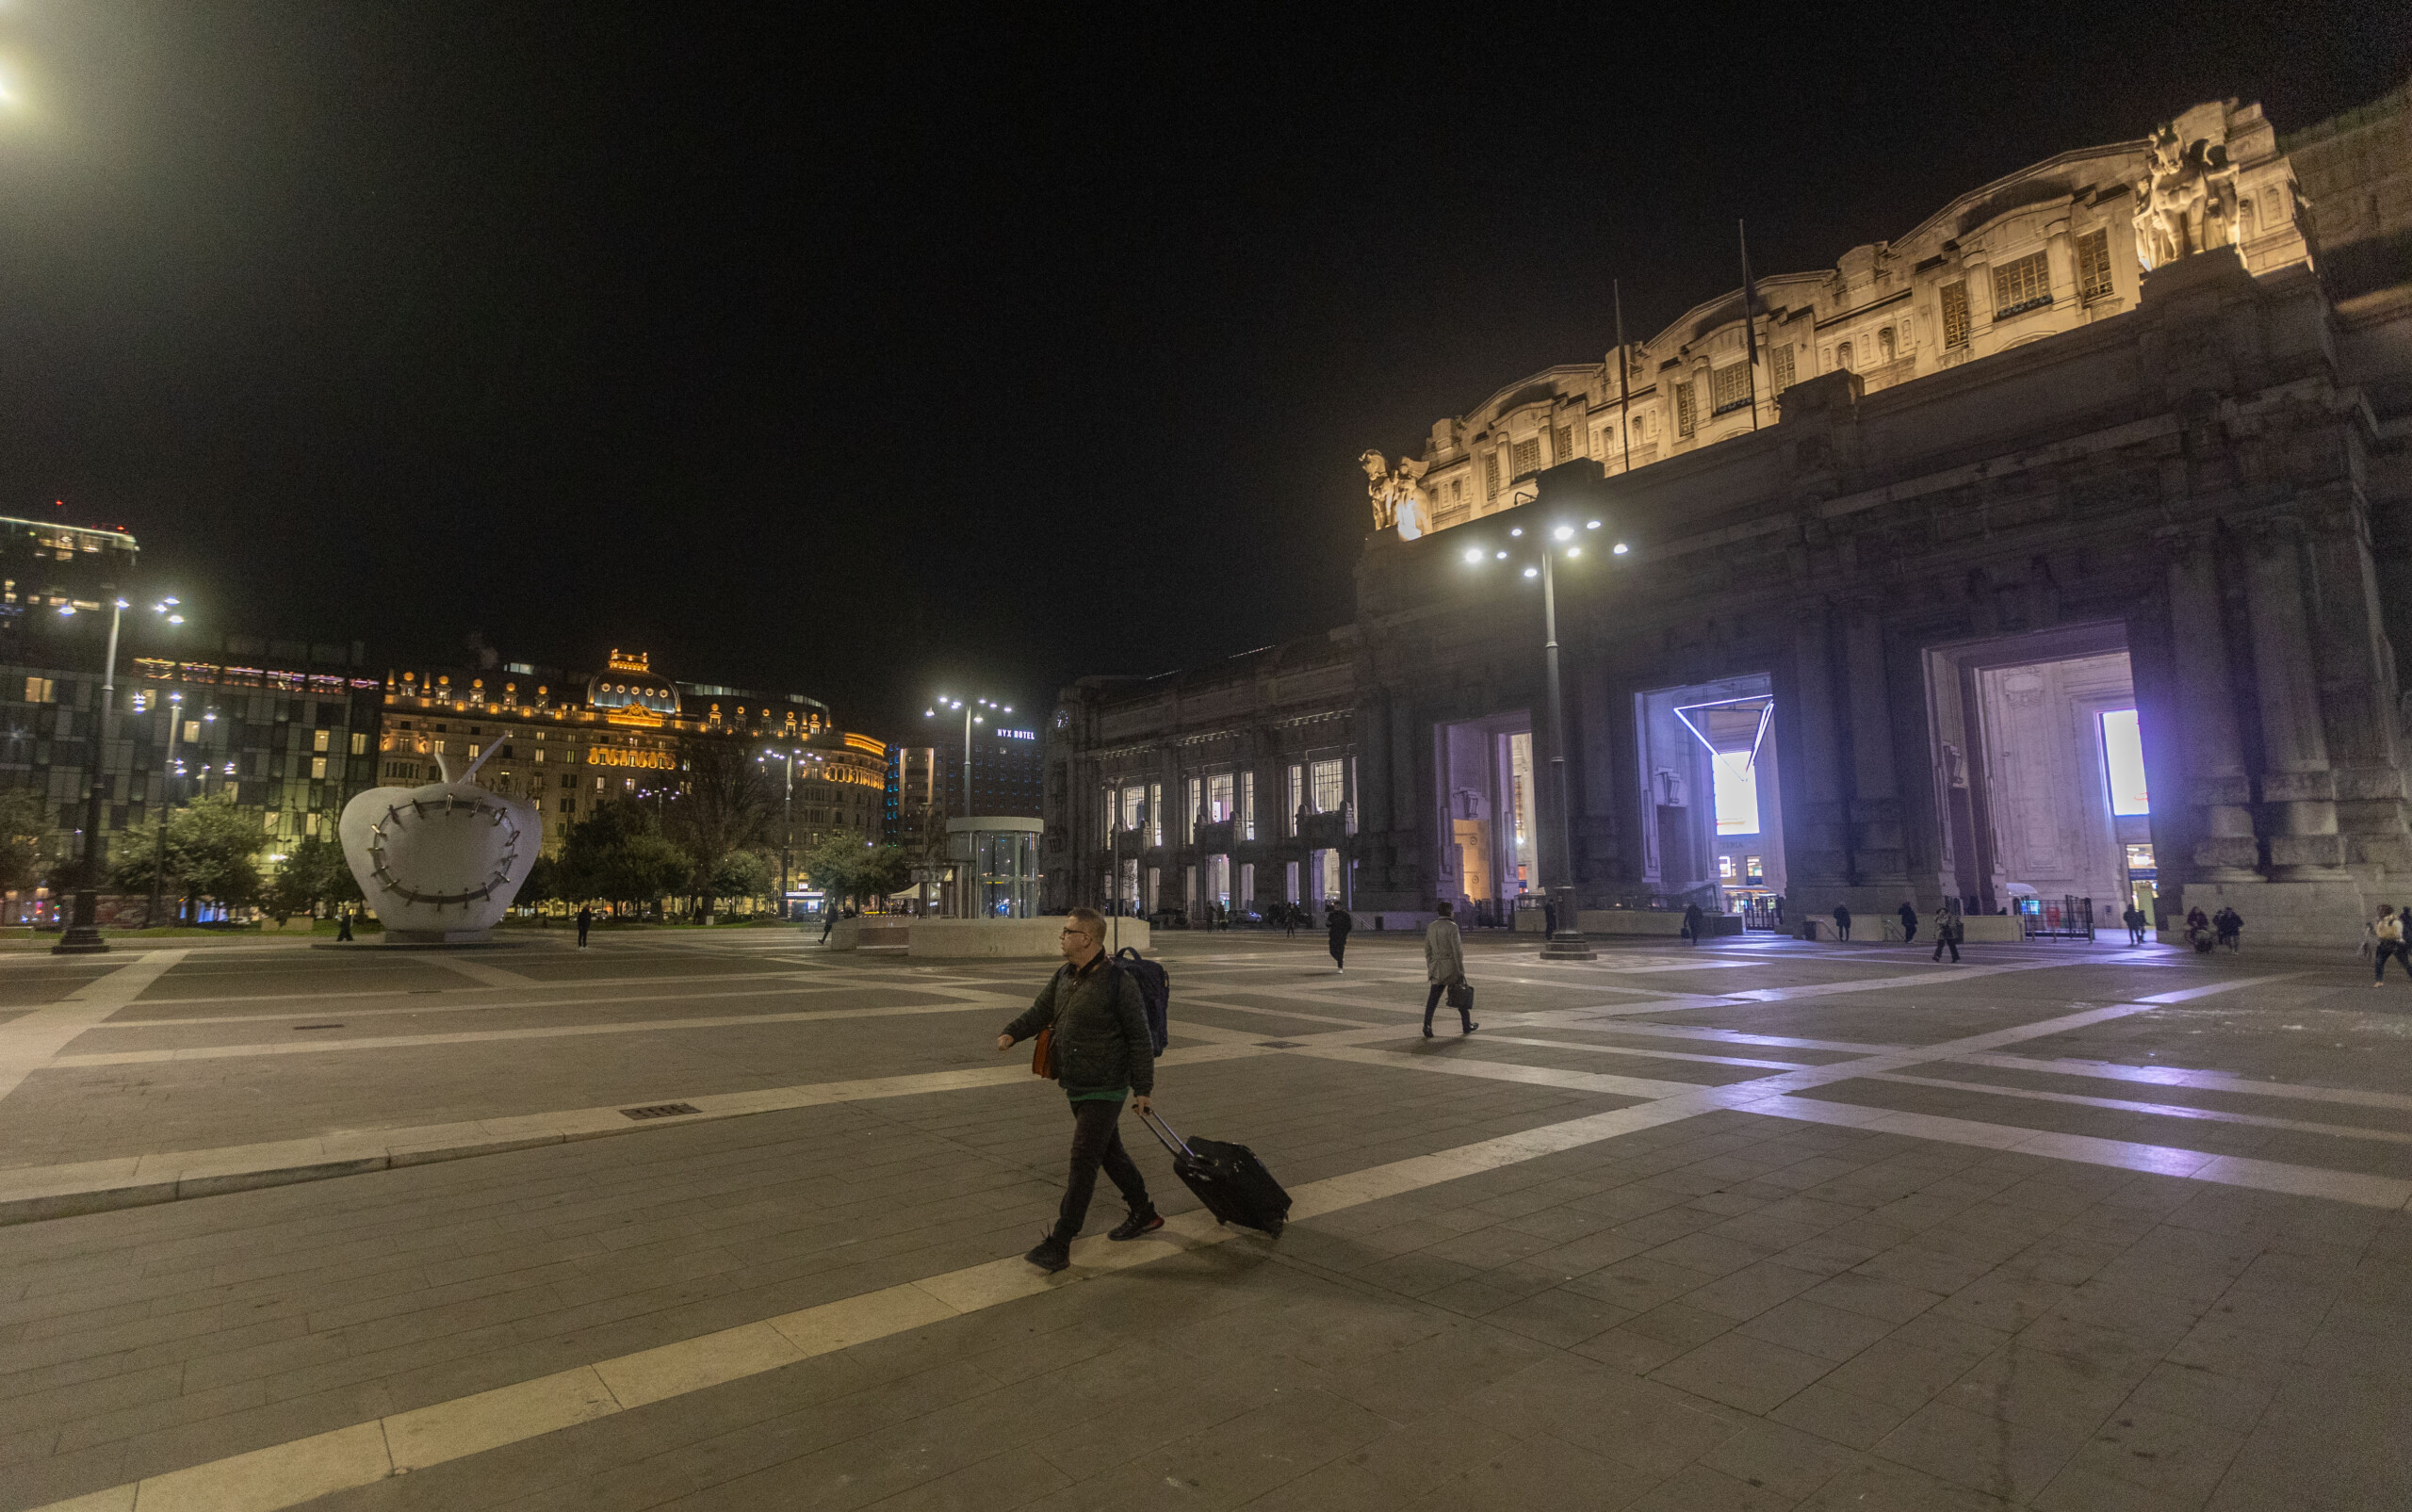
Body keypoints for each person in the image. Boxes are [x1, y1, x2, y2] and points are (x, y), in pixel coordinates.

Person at [997, 908, 1161, 1272]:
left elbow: (1139, 1037)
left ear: (1087, 938)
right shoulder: (1064, 975)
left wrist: (1143, 1089)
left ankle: (1061, 1241)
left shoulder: (1119, 982)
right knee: (1109, 1154)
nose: (1062, 936)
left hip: (1107, 1086)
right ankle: (1145, 1212)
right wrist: (1012, 1032)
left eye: (1068, 931)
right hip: (1077, 1082)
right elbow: (1040, 1012)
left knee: (1084, 1158)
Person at [1422, 900, 1478, 1037]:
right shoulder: (1452, 927)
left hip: (1436, 967)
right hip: (1451, 967)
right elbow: (1457, 951)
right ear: (1450, 912)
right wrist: (1460, 970)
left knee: (1432, 1000)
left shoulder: (1431, 926)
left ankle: (1427, 1025)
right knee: (1460, 996)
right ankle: (1466, 1025)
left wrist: (1431, 965)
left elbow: (1427, 949)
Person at [2372, 904, 2408, 985]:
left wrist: (2385, 936)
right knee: (2379, 962)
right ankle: (2379, 981)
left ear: (2387, 911)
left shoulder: (2394, 920)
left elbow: (2397, 934)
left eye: (2382, 910)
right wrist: (2372, 928)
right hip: (2383, 944)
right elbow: (2377, 933)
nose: (2379, 912)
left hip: (2396, 944)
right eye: (2378, 910)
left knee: (2405, 962)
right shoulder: (2378, 921)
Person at [1931, 899, 1963, 963]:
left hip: (1949, 932)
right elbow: (1938, 926)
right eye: (1941, 912)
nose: (1942, 913)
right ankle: (1936, 956)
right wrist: (1934, 934)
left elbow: (1953, 924)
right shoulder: (1937, 918)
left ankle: (1955, 957)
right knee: (1940, 945)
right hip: (1941, 933)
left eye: (1944, 912)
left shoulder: (1949, 918)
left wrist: (1948, 921)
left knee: (1952, 946)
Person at [1327, 902, 1352, 972]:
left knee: (1340, 951)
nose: (1337, 907)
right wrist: (1329, 923)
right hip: (1333, 935)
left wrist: (1345, 933)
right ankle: (1339, 958)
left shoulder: (1345, 915)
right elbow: (1328, 924)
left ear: (1341, 907)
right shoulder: (1331, 914)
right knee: (1332, 951)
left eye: (1338, 906)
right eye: (1335, 906)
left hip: (1341, 935)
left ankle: (1340, 968)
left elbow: (1349, 925)